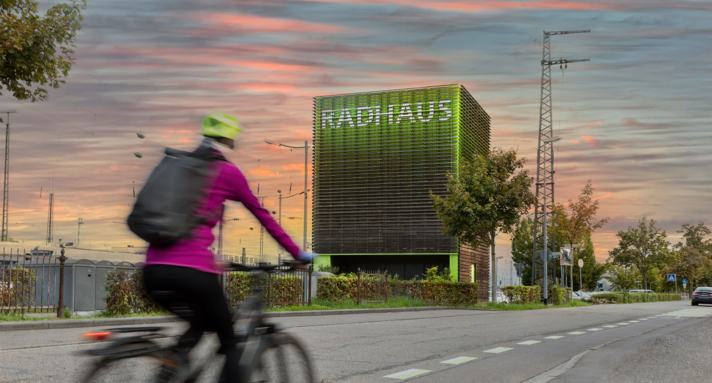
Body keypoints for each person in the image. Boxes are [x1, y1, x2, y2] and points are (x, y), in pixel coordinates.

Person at [142, 112, 315, 381]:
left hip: (152, 271)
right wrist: (298, 253)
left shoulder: (182, 167)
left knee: (200, 322)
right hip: (192, 270)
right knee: (230, 342)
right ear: (229, 137)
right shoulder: (226, 170)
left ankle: (170, 369)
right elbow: (263, 215)